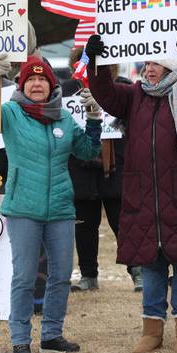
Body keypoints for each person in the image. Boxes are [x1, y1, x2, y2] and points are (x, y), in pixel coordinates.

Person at [85, 33, 177, 353]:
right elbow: (106, 95)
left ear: (171, 68)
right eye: (147, 63)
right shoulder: (134, 96)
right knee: (149, 266)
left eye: (157, 64)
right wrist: (96, 64)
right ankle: (151, 329)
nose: (150, 69)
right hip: (144, 197)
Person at [0, 54, 101, 353]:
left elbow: (88, 150)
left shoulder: (64, 118)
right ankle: (19, 339)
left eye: (42, 79)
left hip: (59, 208)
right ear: (22, 85)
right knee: (25, 276)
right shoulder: (12, 113)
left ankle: (52, 335)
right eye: (31, 79)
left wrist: (95, 119)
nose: (37, 84)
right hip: (24, 208)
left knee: (60, 275)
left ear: (52, 85)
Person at [65, 49, 142, 293]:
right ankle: (88, 275)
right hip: (80, 169)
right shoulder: (68, 91)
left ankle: (138, 271)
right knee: (84, 227)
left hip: (117, 167)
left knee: (124, 224)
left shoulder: (122, 88)